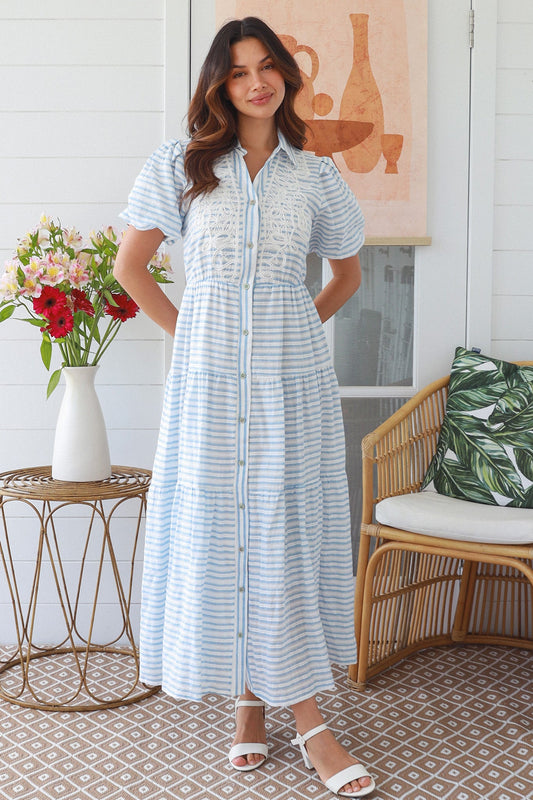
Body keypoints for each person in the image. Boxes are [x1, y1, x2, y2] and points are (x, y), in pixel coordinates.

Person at [114, 16, 375, 799]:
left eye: (266, 67)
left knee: (279, 534)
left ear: (287, 76)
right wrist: (195, 336)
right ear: (217, 84)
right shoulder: (181, 164)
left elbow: (347, 274)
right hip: (208, 388)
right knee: (224, 535)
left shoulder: (314, 174)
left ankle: (305, 720)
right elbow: (131, 267)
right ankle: (249, 704)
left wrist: (292, 333)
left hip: (291, 387)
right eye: (237, 71)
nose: (255, 82)